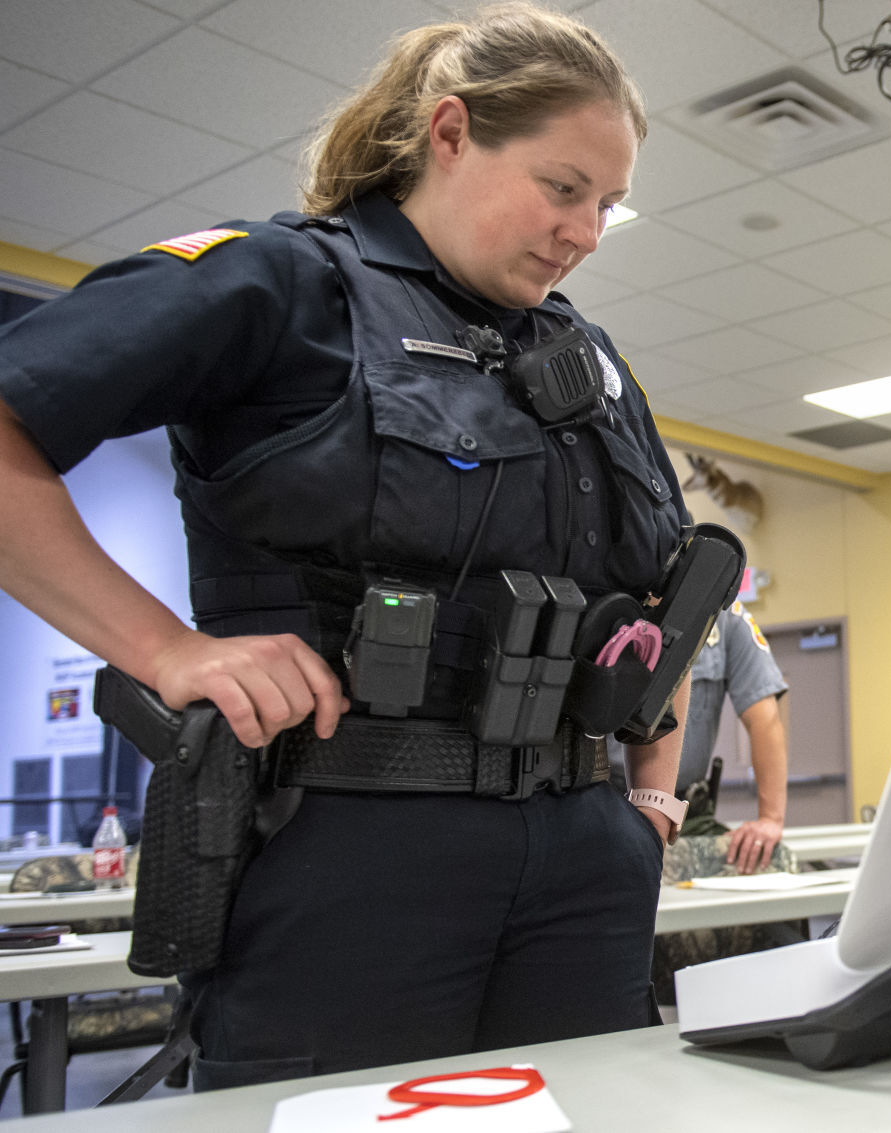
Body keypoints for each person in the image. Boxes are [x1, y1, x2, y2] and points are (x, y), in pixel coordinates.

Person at [0, 3, 696, 1088]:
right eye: (564, 188)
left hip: (586, 855)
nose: (587, 231)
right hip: (353, 849)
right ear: (451, 132)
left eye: (609, 203)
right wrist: (165, 648)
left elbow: (668, 601)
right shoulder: (282, 283)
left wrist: (650, 801)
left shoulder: (591, 359)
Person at [679, 601, 791, 873]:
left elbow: (765, 719)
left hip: (684, 815)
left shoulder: (725, 616)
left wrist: (769, 819)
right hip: (607, 808)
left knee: (767, 866)